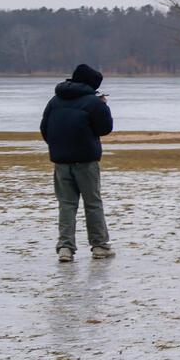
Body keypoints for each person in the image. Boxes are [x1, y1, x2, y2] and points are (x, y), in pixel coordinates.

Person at [41, 63, 115, 262]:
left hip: (61, 161)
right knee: (93, 203)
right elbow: (105, 128)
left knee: (66, 205)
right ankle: (99, 245)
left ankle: (65, 248)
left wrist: (60, 148)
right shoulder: (93, 103)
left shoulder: (55, 100)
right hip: (86, 161)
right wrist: (103, 106)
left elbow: (45, 129)